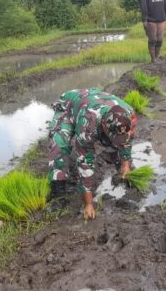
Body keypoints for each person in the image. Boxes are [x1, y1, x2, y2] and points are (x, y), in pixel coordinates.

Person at [47, 88, 137, 220]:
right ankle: (58, 191)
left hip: (91, 101)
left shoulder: (129, 115)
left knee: (115, 144)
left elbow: (127, 141)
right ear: (105, 126)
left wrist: (126, 164)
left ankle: (121, 168)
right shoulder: (88, 126)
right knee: (59, 144)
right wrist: (88, 203)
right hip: (68, 107)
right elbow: (85, 163)